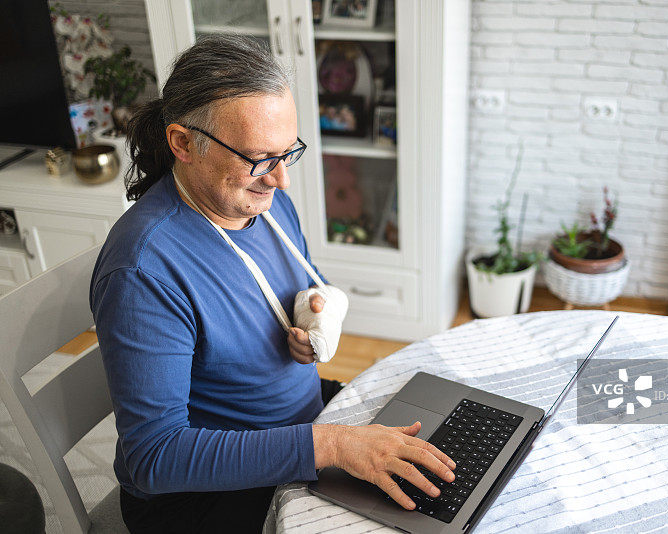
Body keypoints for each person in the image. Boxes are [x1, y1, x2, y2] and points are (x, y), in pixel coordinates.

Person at [90, 34, 455, 534]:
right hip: (204, 495)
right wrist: (331, 444)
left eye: (289, 152)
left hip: (302, 418)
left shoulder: (263, 202)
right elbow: (155, 457)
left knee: (447, 458)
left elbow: (304, 285)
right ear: (182, 143)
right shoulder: (144, 271)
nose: (280, 179)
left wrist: (311, 315)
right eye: (259, 158)